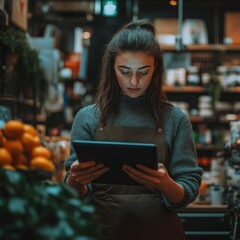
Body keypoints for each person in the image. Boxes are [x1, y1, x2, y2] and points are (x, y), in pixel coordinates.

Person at [64, 19, 203, 240]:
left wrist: (166, 185)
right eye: (125, 71)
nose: (134, 81)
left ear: (156, 69)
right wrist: (75, 180)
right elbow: (74, 193)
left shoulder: (175, 119)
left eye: (143, 72)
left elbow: (187, 190)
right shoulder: (88, 117)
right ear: (111, 68)